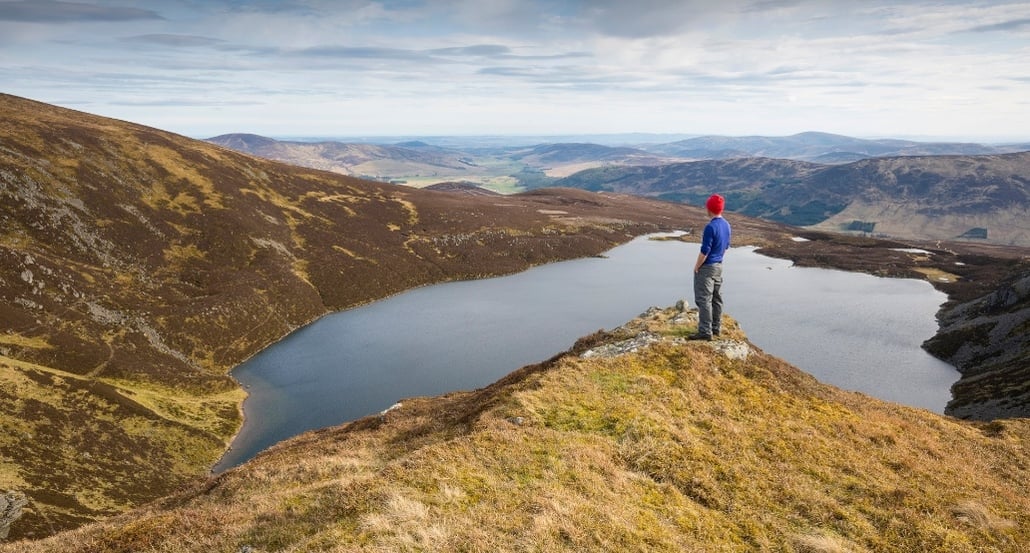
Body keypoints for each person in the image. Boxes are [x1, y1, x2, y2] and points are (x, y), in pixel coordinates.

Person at [690, 194, 731, 340]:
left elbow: (705, 251)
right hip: (719, 266)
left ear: (710, 209)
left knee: (704, 299)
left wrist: (697, 266)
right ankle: (716, 328)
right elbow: (725, 247)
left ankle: (705, 332)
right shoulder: (726, 225)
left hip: (707, 268)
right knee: (716, 298)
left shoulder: (710, 227)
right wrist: (718, 259)